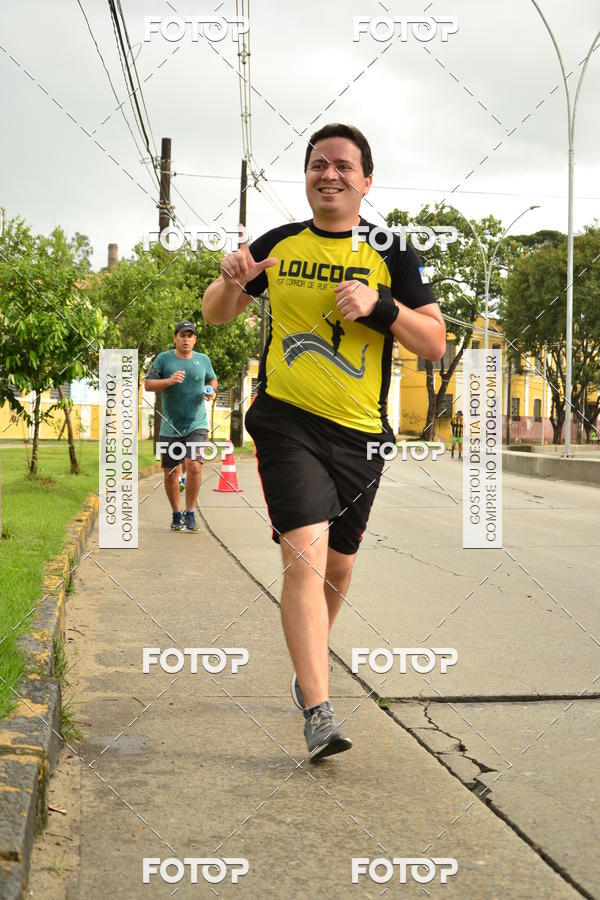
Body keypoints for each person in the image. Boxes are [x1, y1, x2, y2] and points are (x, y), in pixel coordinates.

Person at [202, 123, 445, 759]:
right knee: (304, 557)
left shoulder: (389, 249)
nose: (328, 174)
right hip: (286, 421)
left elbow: (434, 341)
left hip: (362, 436)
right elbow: (215, 313)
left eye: (342, 165)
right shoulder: (280, 244)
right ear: (306, 176)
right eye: (317, 164)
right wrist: (231, 279)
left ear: (367, 180)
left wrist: (380, 306)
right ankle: (319, 707)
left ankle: (303, 667)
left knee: (338, 566)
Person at [144, 320, 218, 532]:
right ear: (175, 337)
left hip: (197, 423)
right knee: (171, 472)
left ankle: (190, 511)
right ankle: (177, 514)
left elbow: (213, 381)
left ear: (195, 339)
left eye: (190, 335)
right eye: (182, 335)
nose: (186, 339)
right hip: (170, 426)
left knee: (194, 465)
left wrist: (210, 390)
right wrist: (168, 381)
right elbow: (148, 384)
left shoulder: (203, 360)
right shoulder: (164, 359)